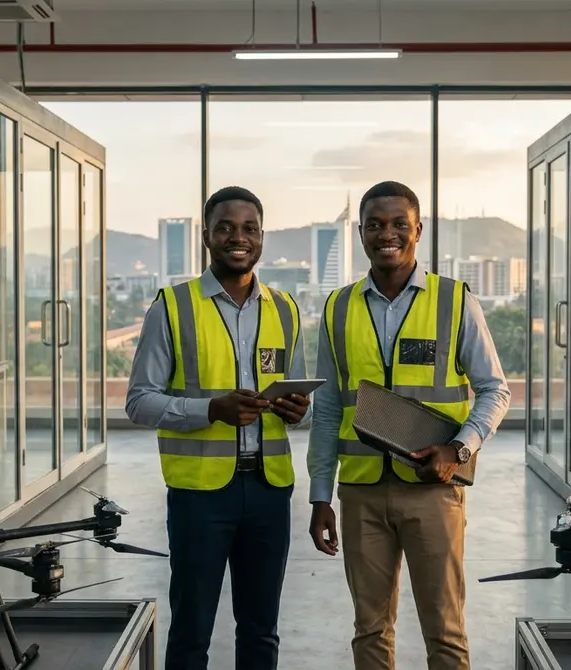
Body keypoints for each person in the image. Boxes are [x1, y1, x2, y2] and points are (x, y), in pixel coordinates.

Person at [306, 181, 511, 670]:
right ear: (360, 233)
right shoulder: (338, 308)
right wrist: (320, 495)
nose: (388, 234)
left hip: (433, 490)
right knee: (370, 630)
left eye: (400, 223)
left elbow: (496, 390)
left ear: (419, 230)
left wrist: (458, 450)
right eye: (375, 225)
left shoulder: (455, 300)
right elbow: (330, 407)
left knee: (445, 631)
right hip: (361, 493)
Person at [125, 186, 311, 670]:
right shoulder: (173, 306)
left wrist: (297, 410)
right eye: (225, 227)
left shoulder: (285, 309)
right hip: (200, 496)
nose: (238, 237)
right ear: (206, 236)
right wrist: (210, 411)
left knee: (261, 630)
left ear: (262, 236)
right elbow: (139, 401)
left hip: (270, 491)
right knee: (191, 630)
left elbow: (303, 400)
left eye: (249, 228)